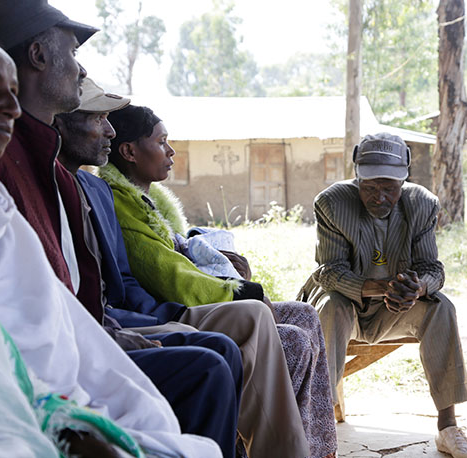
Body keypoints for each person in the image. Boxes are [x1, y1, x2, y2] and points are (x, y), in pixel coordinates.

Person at [0, 2, 243, 456]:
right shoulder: (13, 171)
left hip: (86, 341)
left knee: (218, 354)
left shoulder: (60, 175)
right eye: (72, 52)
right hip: (45, 368)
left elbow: (71, 302)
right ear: (38, 56)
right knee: (211, 364)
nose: (82, 67)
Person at [55, 78, 316, 458]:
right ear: (60, 124)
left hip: (133, 310)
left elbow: (132, 273)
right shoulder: (104, 192)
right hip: (130, 313)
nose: (108, 129)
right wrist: (223, 291)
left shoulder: (98, 191)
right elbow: (156, 271)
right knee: (232, 343)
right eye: (98, 118)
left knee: (269, 320)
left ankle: (291, 449)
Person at [299, 133, 467, 458]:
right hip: (347, 307)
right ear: (357, 177)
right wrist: (380, 288)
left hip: (394, 309)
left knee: (440, 306)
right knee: (332, 305)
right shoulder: (332, 203)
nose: (379, 197)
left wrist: (418, 288)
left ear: (404, 180)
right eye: (369, 187)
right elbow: (329, 272)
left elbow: (433, 269)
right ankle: (320, 427)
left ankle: (448, 428)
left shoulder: (422, 204)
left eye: (389, 188)